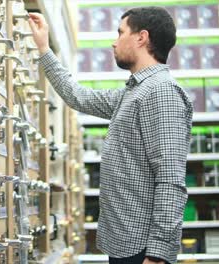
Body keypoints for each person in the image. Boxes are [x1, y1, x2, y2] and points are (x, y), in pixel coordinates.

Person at [28, 7, 193, 264]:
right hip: (125, 244)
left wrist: (158, 254)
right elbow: (78, 96)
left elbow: (171, 179)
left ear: (141, 38)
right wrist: (43, 49)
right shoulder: (133, 92)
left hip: (143, 250)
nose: (114, 42)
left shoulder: (162, 93)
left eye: (120, 32)